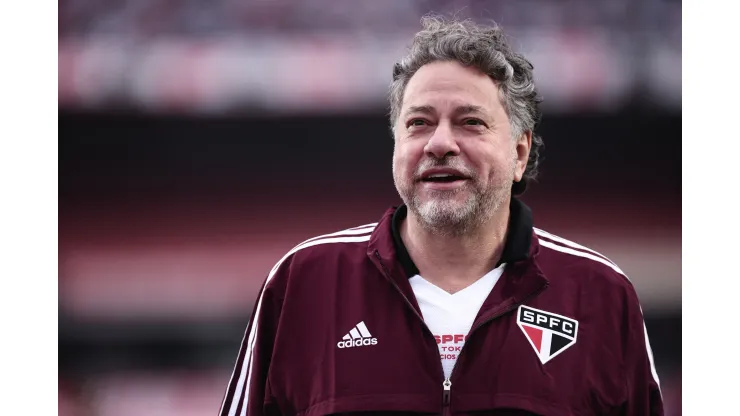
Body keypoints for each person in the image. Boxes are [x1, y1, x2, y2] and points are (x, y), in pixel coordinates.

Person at [219, 16, 663, 416]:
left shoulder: (601, 294)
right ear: (396, 145)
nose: (440, 143)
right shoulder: (302, 282)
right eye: (419, 123)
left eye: (471, 122)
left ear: (519, 153)